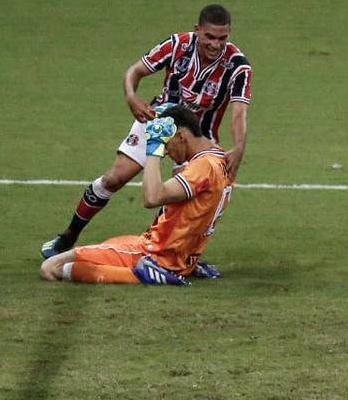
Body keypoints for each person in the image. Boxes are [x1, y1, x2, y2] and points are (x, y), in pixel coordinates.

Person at [39, 4, 250, 258]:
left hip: (196, 137)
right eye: (209, 37)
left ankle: (168, 253)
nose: (215, 44)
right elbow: (134, 71)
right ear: (197, 31)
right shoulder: (177, 45)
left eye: (222, 38)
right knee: (114, 178)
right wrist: (131, 96)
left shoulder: (238, 67)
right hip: (157, 120)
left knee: (184, 199)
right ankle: (69, 234)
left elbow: (239, 112)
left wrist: (239, 146)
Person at [40, 104, 232, 286]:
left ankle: (154, 274)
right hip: (175, 254)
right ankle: (173, 267)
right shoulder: (218, 157)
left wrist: (153, 148)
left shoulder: (203, 167)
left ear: (181, 136)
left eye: (167, 142)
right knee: (110, 243)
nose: (166, 152)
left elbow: (152, 197)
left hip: (155, 254)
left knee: (51, 267)